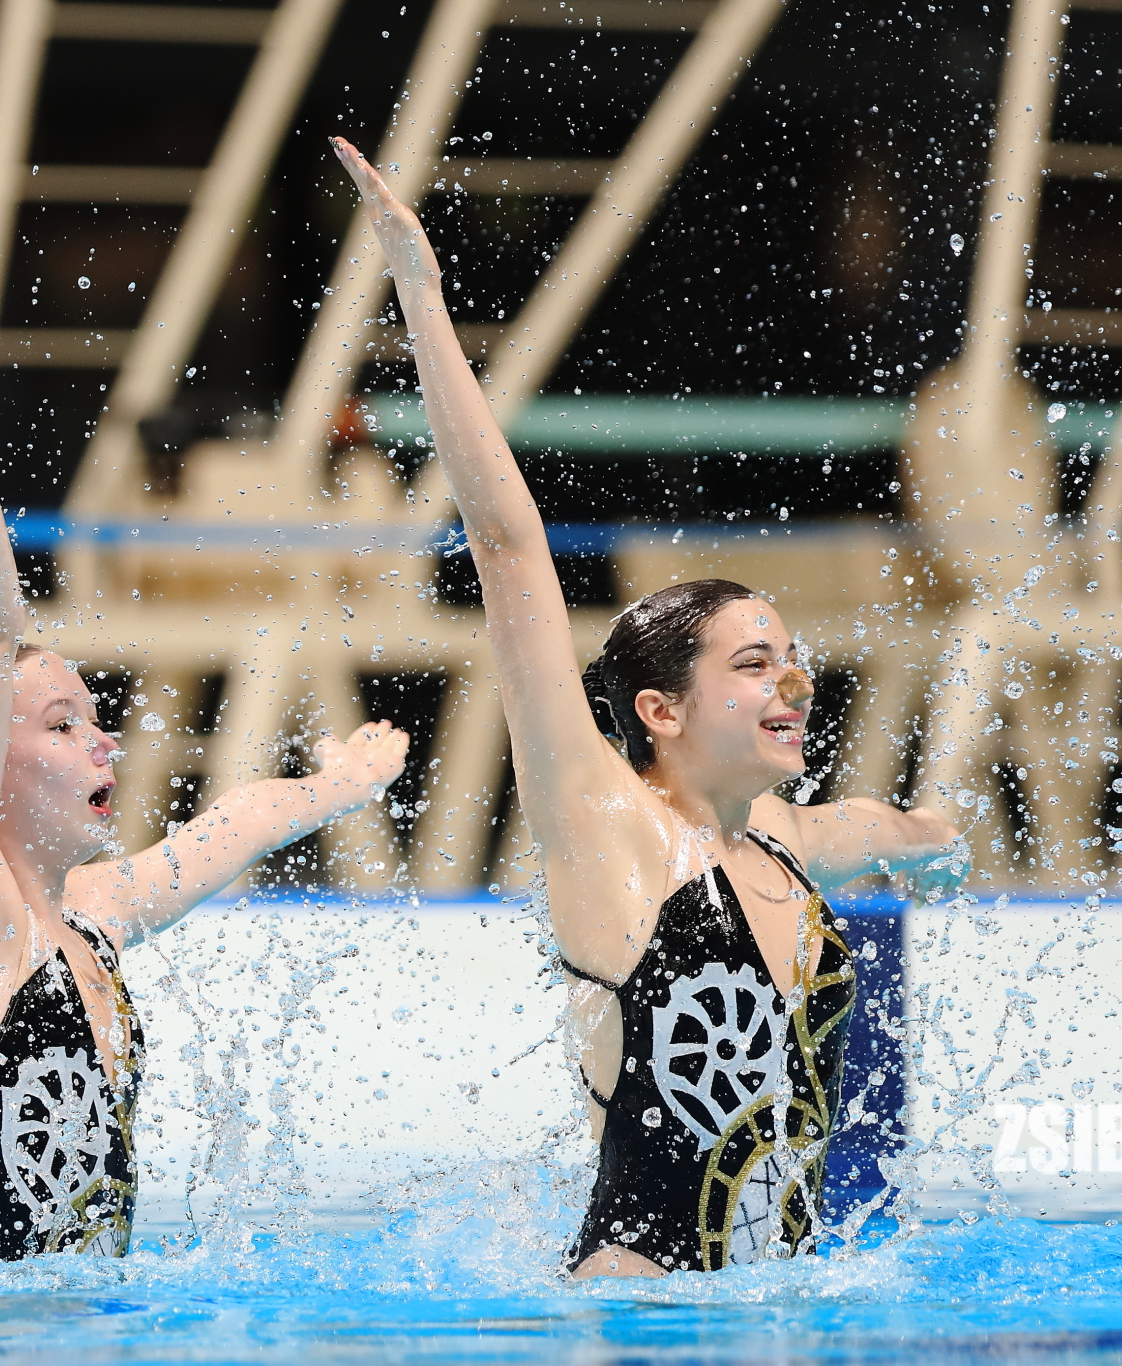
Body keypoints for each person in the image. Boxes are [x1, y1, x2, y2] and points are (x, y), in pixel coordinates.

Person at [329, 141, 968, 1277]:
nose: (792, 683)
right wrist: (421, 297)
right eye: (754, 663)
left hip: (775, 1324)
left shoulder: (790, 845)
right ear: (660, 711)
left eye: (792, 661)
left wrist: (936, 851)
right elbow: (507, 545)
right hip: (633, 1325)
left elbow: (898, 832)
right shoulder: (606, 827)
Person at [0, 231, 410, 1268]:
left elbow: (232, 825)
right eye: (60, 725)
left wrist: (338, 784)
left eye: (91, 715)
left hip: (93, 1323)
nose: (101, 738)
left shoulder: (99, 911)